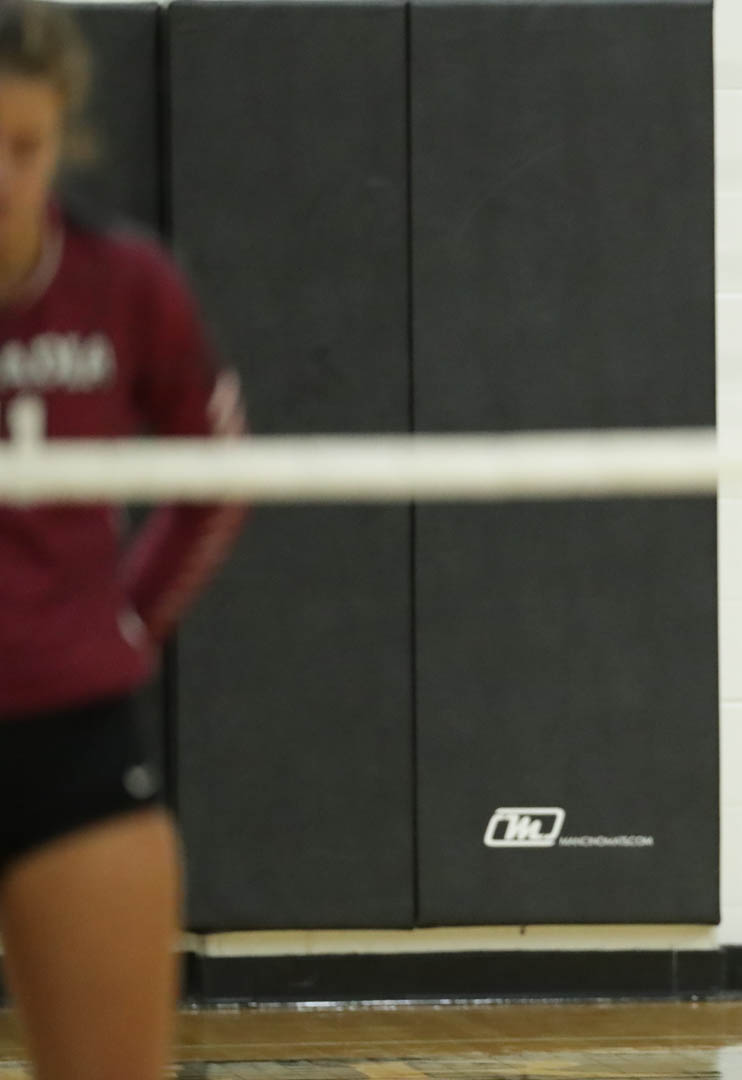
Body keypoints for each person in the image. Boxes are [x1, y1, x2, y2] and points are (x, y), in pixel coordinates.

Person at [0, 2, 246, 1075]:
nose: (0, 178)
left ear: (59, 139)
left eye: (23, 148)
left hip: (73, 743)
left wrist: (129, 620)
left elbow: (216, 473)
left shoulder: (124, 285)